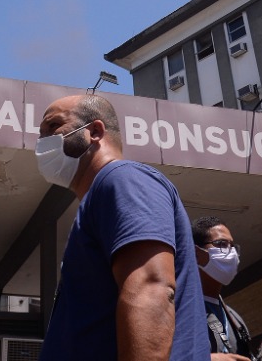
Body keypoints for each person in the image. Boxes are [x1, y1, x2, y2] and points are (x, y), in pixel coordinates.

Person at [35, 94, 209, 361]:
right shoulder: (99, 197)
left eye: (53, 126)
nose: (42, 140)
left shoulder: (122, 179)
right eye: (40, 133)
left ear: (94, 131)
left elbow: (151, 288)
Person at [191, 216, 252, 361]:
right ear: (196, 254)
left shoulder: (235, 319)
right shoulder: (178, 309)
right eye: (222, 244)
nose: (231, 253)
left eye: (232, 246)